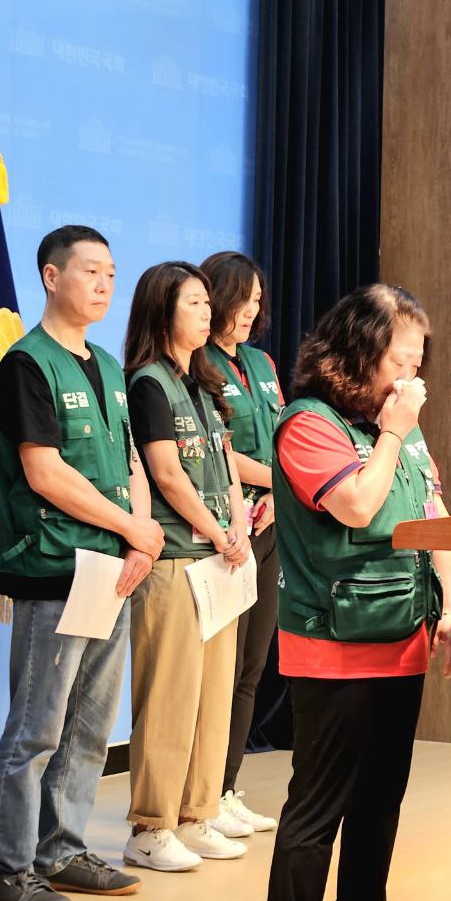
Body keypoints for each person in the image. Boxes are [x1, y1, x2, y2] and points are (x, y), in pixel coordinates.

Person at [264, 284, 451, 901]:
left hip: (400, 636)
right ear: (355, 353)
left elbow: (435, 510)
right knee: (321, 797)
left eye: (418, 364)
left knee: (381, 796)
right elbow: (356, 503)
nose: (410, 380)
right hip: (334, 643)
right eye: (397, 362)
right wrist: (390, 433)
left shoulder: (400, 427)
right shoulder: (308, 425)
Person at [0, 226, 164, 901]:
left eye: (112, 273)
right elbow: (44, 470)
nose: (105, 284)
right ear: (52, 277)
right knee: (38, 727)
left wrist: (143, 539)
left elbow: (133, 462)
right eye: (91, 271)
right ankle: (7, 866)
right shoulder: (28, 363)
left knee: (90, 723)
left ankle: (62, 849)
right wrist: (129, 529)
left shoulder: (109, 368)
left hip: (113, 567)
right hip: (57, 567)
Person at [122, 261, 251, 872]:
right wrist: (214, 530)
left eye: (207, 303)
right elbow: (167, 474)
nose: (207, 313)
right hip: (176, 557)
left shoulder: (204, 385)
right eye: (195, 303)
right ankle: (151, 825)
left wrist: (239, 527)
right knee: (170, 694)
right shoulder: (148, 382)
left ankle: (198, 812)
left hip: (219, 556)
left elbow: (224, 463)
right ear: (162, 310)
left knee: (213, 694)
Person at [202, 251, 283, 838]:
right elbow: (219, 448)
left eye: (258, 300)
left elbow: (284, 438)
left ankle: (228, 786)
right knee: (220, 670)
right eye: (243, 299)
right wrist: (272, 481)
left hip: (272, 523)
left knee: (253, 665)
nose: (252, 311)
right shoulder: (197, 366)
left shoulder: (261, 362)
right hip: (222, 529)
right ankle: (201, 790)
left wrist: (281, 492)